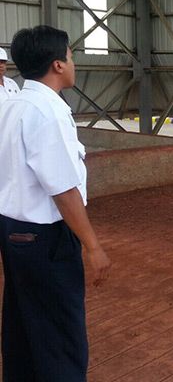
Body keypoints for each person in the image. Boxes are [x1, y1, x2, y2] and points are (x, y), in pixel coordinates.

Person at [0, 25, 111, 381]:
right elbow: (63, 189)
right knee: (61, 335)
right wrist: (92, 245)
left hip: (13, 230)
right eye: (71, 56)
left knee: (22, 324)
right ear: (58, 64)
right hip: (45, 238)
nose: (73, 63)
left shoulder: (12, 105)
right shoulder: (48, 111)